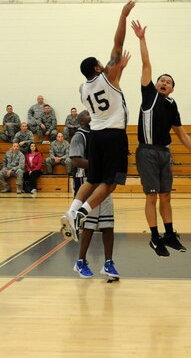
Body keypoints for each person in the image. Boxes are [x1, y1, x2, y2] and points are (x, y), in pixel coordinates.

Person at [131, 19, 191, 256]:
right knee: (152, 196)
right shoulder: (149, 95)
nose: (164, 82)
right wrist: (142, 39)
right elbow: (146, 64)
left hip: (165, 152)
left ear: (172, 89)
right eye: (162, 80)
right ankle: (154, 238)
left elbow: (181, 133)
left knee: (166, 196)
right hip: (147, 151)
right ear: (156, 85)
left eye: (168, 82)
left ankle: (170, 234)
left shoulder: (172, 104)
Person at [61, 1, 135, 242]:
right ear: (97, 67)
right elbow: (118, 44)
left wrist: (117, 71)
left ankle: (71, 210)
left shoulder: (83, 89)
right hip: (113, 135)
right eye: (102, 64)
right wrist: (123, 15)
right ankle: (82, 213)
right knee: (110, 183)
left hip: (96, 136)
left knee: (92, 179)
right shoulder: (107, 76)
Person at [68, 109, 120, 279]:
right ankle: (80, 261)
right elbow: (75, 160)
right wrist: (98, 165)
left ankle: (108, 263)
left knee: (108, 225)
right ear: (82, 120)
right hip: (87, 182)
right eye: (89, 113)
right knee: (88, 226)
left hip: (103, 184)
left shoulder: (100, 133)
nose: (94, 114)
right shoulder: (80, 135)